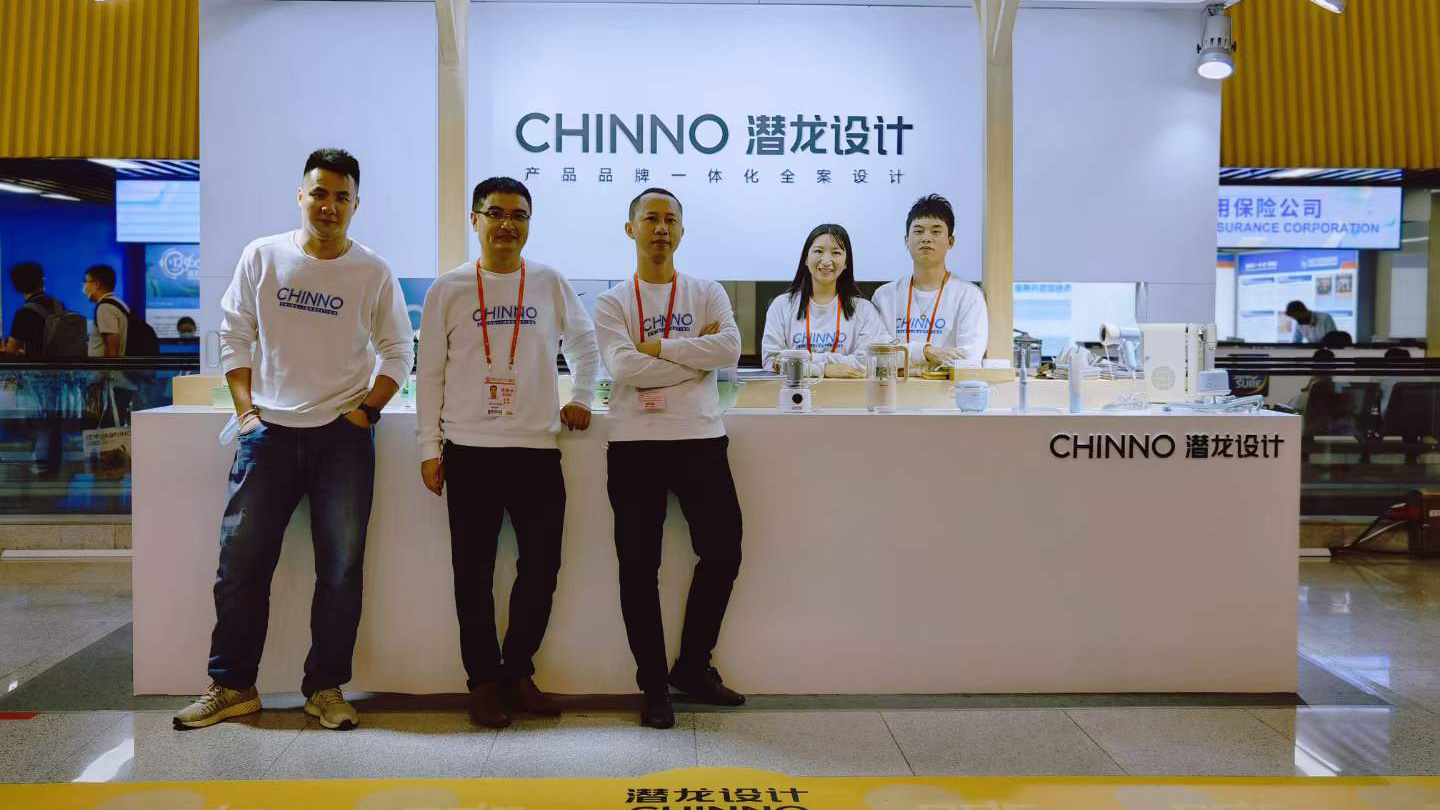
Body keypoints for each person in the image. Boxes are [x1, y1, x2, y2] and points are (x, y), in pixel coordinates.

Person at [172, 148, 413, 731]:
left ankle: (325, 688)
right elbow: (234, 333)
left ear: (356, 204)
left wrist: (365, 412)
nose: (329, 205)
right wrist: (247, 412)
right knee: (240, 566)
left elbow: (398, 351)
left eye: (341, 197)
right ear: (301, 196)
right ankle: (232, 686)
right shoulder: (263, 256)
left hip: (342, 441)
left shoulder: (372, 271)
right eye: (319, 193)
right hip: (267, 437)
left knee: (341, 571)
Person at [415, 176, 600, 729]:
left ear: (528, 225)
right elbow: (430, 373)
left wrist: (582, 396)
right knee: (471, 574)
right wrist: (429, 446)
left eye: (518, 215)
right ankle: (483, 682)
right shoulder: (448, 288)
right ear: (475, 220)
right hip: (470, 450)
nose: (506, 224)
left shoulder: (548, 282)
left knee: (541, 567)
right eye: (495, 213)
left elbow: (584, 343)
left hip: (536, 449)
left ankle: (518, 672)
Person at [594, 188, 745, 729]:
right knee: (639, 568)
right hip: (634, 444)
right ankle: (654, 686)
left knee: (723, 553)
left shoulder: (707, 292)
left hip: (700, 438)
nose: (661, 228)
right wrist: (692, 358)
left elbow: (728, 348)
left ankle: (692, 667)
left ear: (681, 230)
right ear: (631, 228)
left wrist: (655, 348)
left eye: (670, 220)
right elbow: (622, 368)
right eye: (650, 219)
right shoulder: (612, 302)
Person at [872, 194, 989, 374]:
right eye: (918, 231)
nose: (926, 238)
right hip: (895, 391)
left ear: (950, 241)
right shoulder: (885, 296)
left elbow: (968, 361)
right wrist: (926, 353)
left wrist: (904, 365)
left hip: (947, 392)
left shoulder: (969, 295)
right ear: (906, 240)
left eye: (936, 231)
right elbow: (878, 357)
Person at [761, 224, 889, 378]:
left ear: (846, 262)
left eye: (836, 252)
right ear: (806, 258)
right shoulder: (782, 306)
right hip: (796, 392)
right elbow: (771, 361)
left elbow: (867, 362)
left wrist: (806, 360)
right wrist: (823, 370)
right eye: (818, 251)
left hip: (850, 393)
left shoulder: (864, 309)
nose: (826, 260)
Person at [82, 264, 137, 426]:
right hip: (119, 379)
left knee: (99, 426)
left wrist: (107, 376)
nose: (84, 287)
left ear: (97, 284)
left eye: (86, 282)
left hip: (109, 381)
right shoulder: (120, 304)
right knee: (110, 425)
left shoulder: (105, 307)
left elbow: (112, 345)